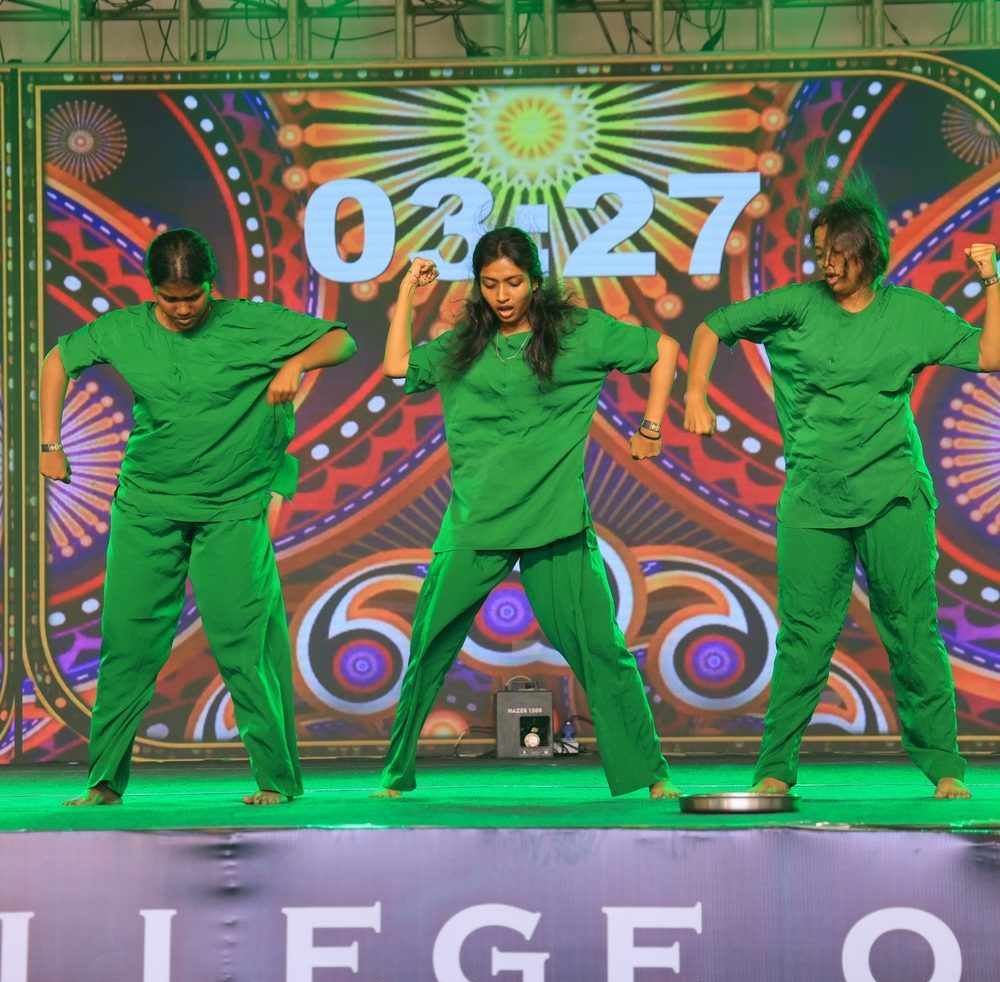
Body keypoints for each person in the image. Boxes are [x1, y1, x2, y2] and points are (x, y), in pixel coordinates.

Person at [683, 180, 999, 799]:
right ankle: (776, 768)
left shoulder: (909, 314)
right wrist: (695, 394)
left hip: (893, 495)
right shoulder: (797, 307)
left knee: (911, 629)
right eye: (820, 253)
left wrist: (992, 279)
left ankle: (944, 766)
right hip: (814, 501)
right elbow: (712, 325)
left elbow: (990, 355)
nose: (827, 265)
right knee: (803, 637)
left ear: (868, 252)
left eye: (838, 253)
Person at [40, 228, 357, 806]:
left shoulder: (250, 322)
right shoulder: (126, 330)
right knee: (127, 642)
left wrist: (297, 363)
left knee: (244, 642)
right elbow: (58, 360)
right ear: (152, 289)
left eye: (193, 296)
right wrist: (48, 444)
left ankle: (275, 780)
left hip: (229, 508)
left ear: (212, 285)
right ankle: (104, 781)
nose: (183, 308)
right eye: (171, 298)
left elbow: (342, 341)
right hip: (148, 506)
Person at [372, 226, 682, 799]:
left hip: (553, 520)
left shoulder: (577, 334)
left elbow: (664, 349)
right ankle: (395, 774)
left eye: (513, 282)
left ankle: (650, 773)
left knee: (600, 649)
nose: (502, 295)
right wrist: (407, 293)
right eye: (490, 284)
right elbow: (396, 365)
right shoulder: (466, 343)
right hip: (476, 521)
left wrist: (651, 427)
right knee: (428, 645)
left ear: (536, 281)